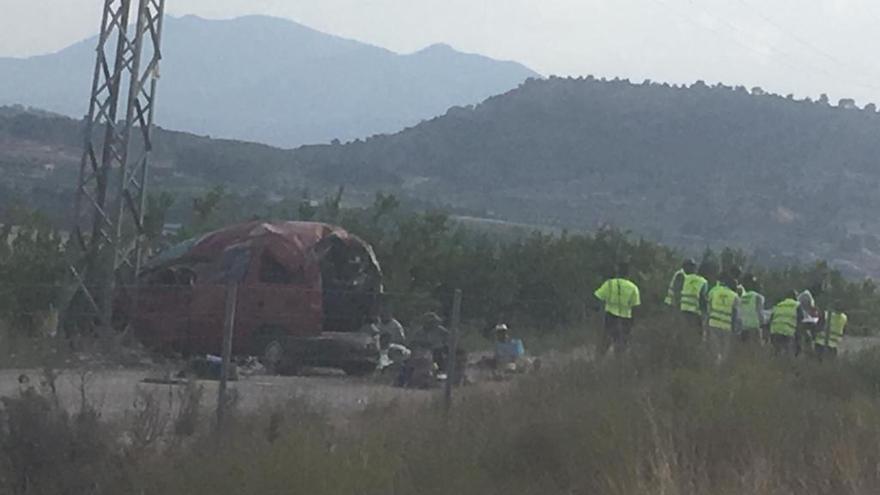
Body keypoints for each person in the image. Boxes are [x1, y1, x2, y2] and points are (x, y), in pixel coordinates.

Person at [594, 261, 641, 356]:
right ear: (628, 274)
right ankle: (619, 364)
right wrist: (633, 322)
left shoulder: (609, 284)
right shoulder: (633, 288)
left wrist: (598, 314)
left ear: (617, 271)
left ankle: (597, 361)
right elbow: (635, 306)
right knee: (622, 343)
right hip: (626, 319)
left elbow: (598, 297)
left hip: (610, 317)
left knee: (605, 342)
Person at [706, 273, 740, 363]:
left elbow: (708, 309)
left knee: (715, 349)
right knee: (725, 351)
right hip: (727, 326)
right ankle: (722, 367)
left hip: (713, 323)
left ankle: (714, 365)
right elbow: (736, 315)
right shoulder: (734, 296)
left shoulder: (713, 291)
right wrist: (735, 329)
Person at [680, 262, 710, 337]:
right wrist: (705, 313)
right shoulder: (703, 282)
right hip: (695, 313)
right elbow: (703, 299)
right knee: (696, 336)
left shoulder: (685, 278)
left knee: (684, 334)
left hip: (683, 310)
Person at [738, 273, 767, 344]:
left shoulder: (741, 298)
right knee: (756, 351)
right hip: (754, 328)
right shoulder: (758, 297)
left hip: (743, 328)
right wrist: (764, 326)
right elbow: (760, 313)